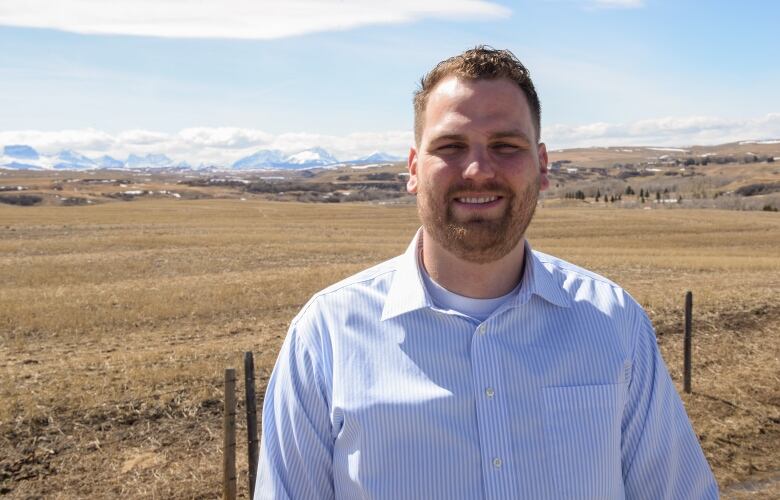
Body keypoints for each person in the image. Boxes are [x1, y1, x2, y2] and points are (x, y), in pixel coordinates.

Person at [255, 46, 718, 499]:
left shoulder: (614, 323)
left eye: (505, 145)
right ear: (414, 169)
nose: (478, 170)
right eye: (451, 146)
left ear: (542, 165)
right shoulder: (327, 336)